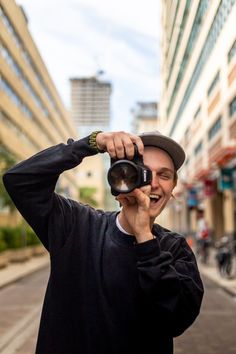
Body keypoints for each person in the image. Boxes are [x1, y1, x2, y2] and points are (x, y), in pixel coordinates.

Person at [3, 130, 204, 354]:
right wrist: (91, 144)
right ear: (120, 179)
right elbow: (19, 181)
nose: (152, 183)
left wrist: (145, 238)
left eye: (164, 175)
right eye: (142, 172)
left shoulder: (176, 249)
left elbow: (176, 319)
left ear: (173, 188)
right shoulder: (76, 225)